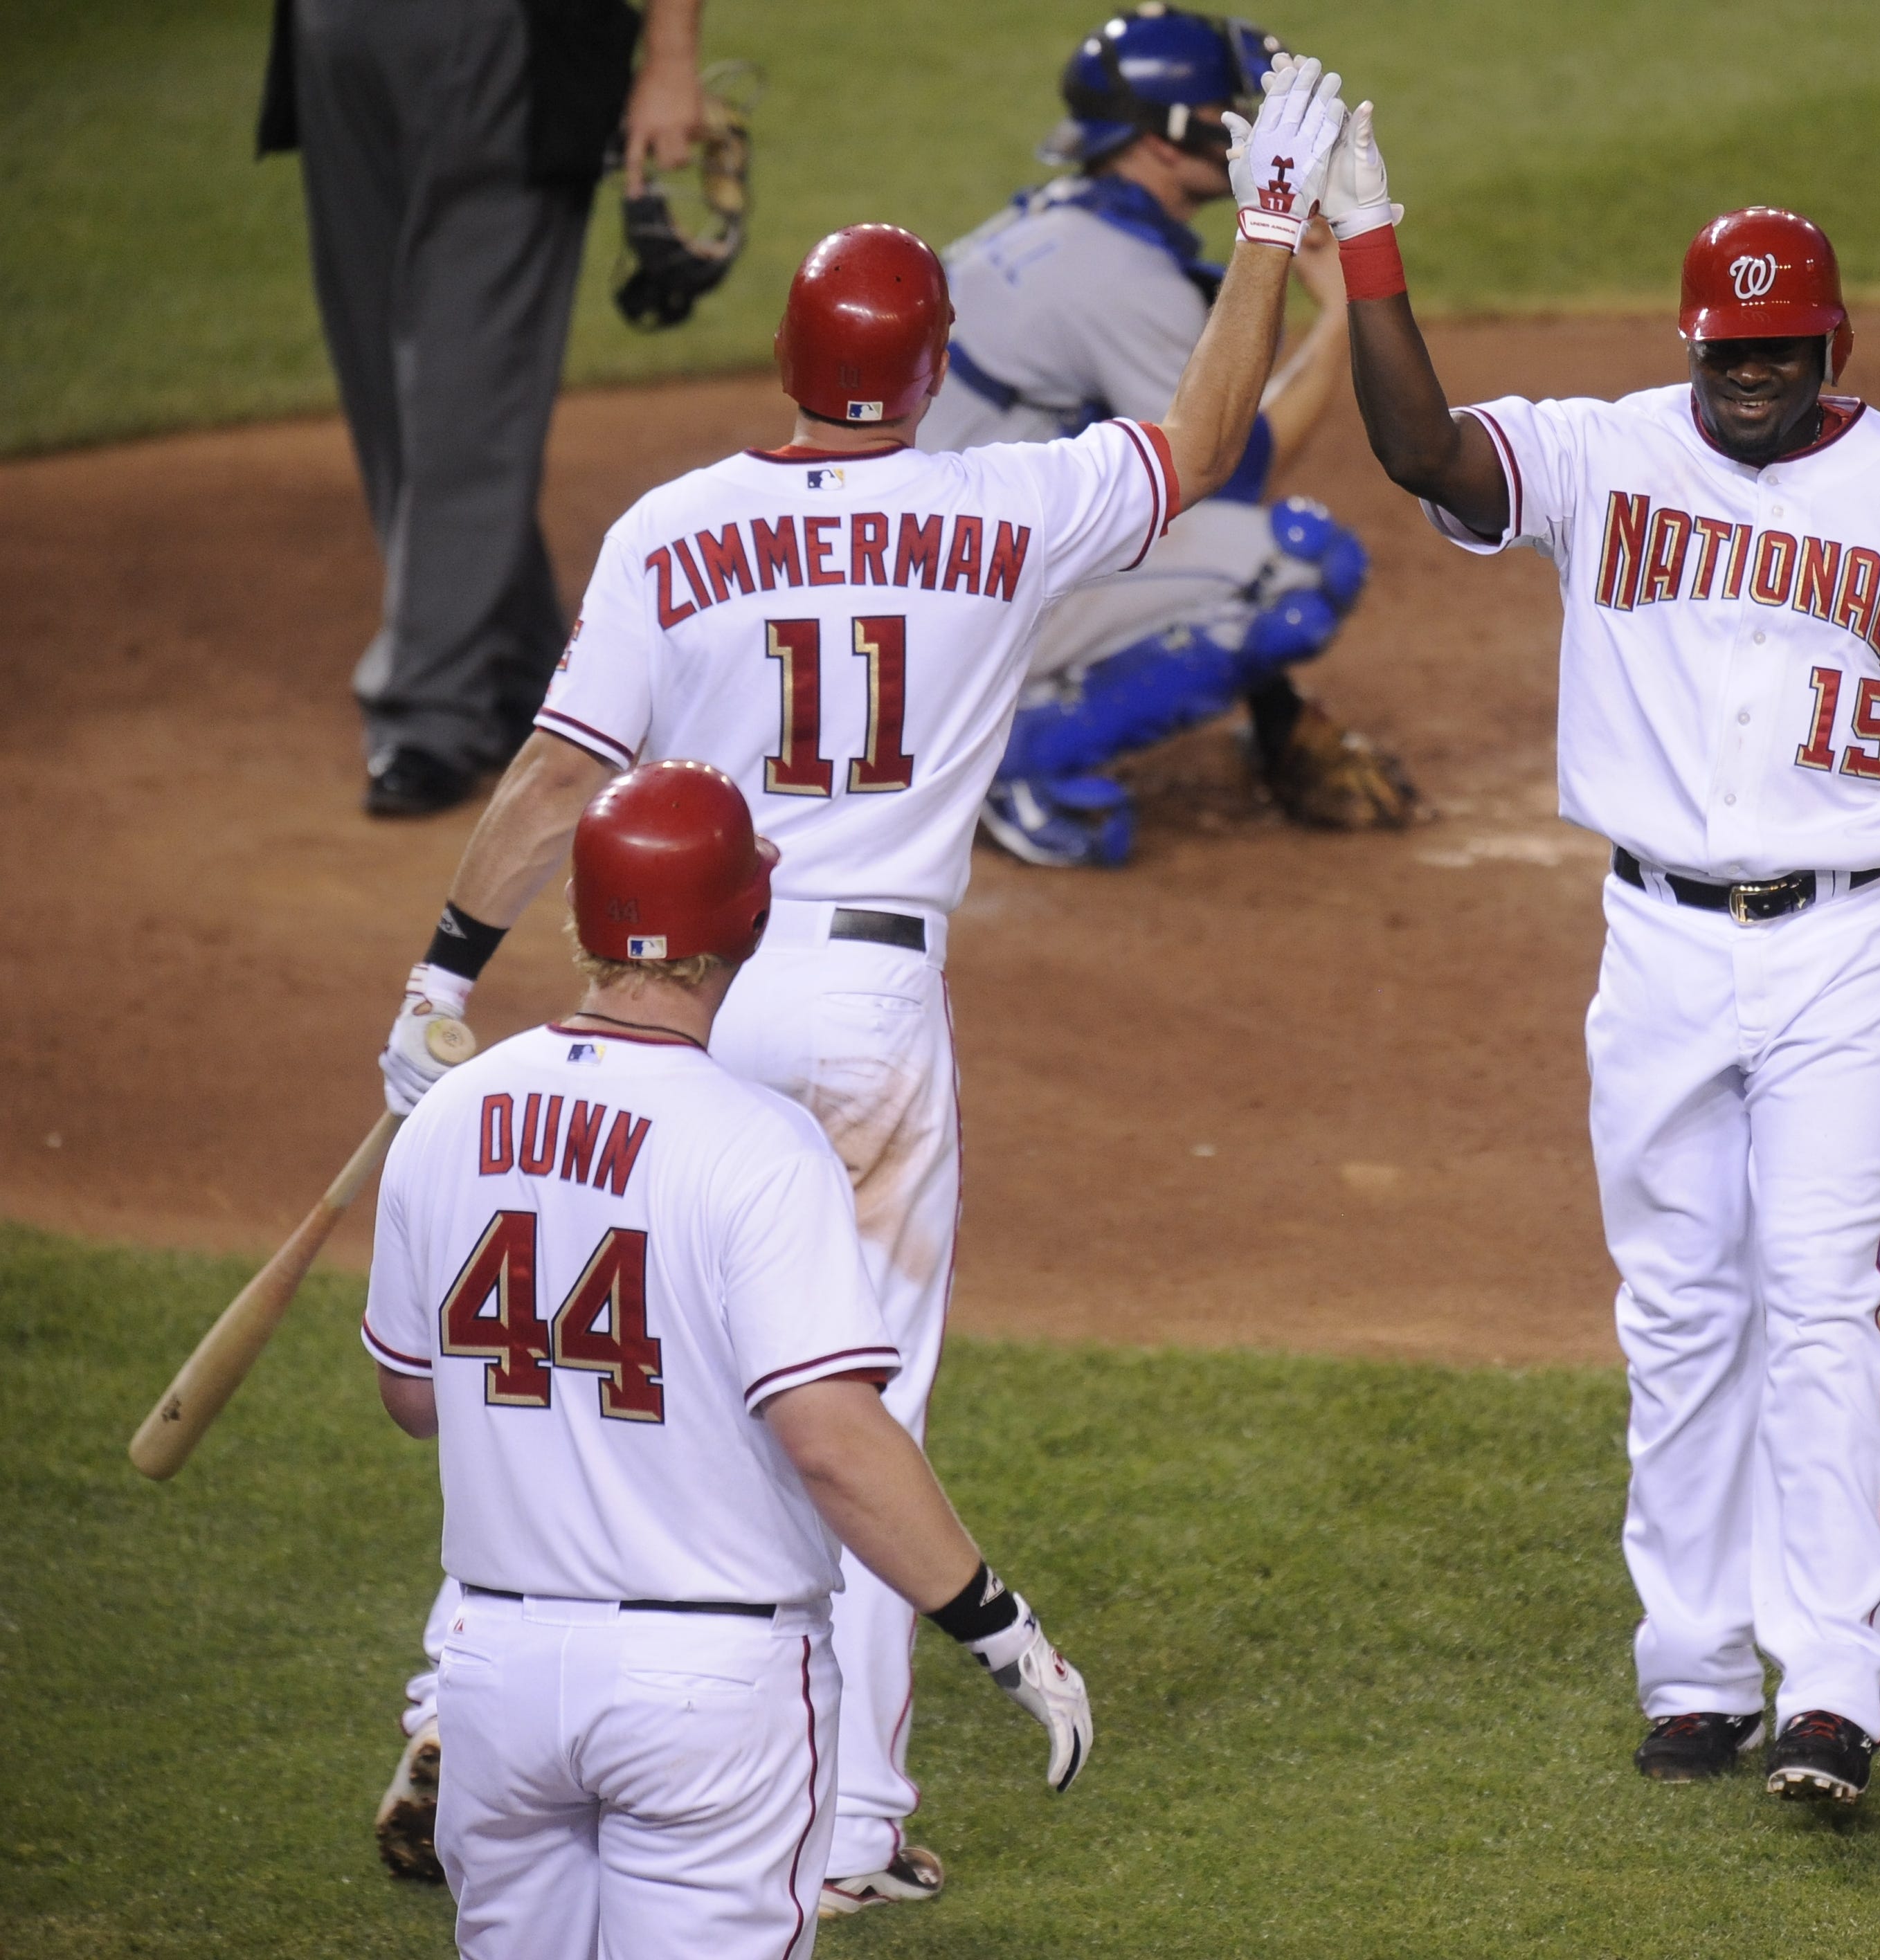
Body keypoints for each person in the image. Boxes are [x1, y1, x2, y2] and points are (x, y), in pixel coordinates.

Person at [364, 50, 1353, 1910]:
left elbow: (558, 776)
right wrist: (1275, 226)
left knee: (603, 1334)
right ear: (924, 373)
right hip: (872, 1012)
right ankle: (845, 1827)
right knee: (850, 1388)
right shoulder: (999, 511)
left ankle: (460, 1694)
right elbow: (1213, 439)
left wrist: (445, 971)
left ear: (793, 368)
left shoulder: (670, 530)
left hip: (681, 991)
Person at [1333, 158, 1880, 1805]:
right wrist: (1368, 246)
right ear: (1689, 344)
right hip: (1659, 946)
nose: (1749, 381)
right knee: (1681, 1313)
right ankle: (1694, 1672)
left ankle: (1833, 1690)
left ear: (1835, 346)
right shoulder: (1602, 452)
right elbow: (1420, 448)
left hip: (1846, 951)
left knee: (1824, 1312)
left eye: (1780, 355)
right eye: (1726, 356)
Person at [363, 759, 1090, 1958]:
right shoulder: (760, 1144)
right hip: (709, 1687)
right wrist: (996, 1624)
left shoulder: (451, 1114)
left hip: (493, 1673)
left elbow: (409, 1395)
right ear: (748, 918)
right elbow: (834, 1440)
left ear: (583, 917)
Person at [921, 4, 1414, 869]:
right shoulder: (1122, 280)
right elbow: (1224, 473)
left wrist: (1277, 713)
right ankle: (1013, 759)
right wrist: (1338, 313)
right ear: (1160, 141)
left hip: (915, 578)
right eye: (1227, 111)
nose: (1253, 134)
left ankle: (989, 715)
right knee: (1296, 566)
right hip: (955, 618)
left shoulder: (1053, 225)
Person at [257, 0, 707, 817]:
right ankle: (519, 672)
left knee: (471, 367)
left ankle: (429, 710)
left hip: (508, 36)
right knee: (382, 380)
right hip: (335, 33)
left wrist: (672, 54)